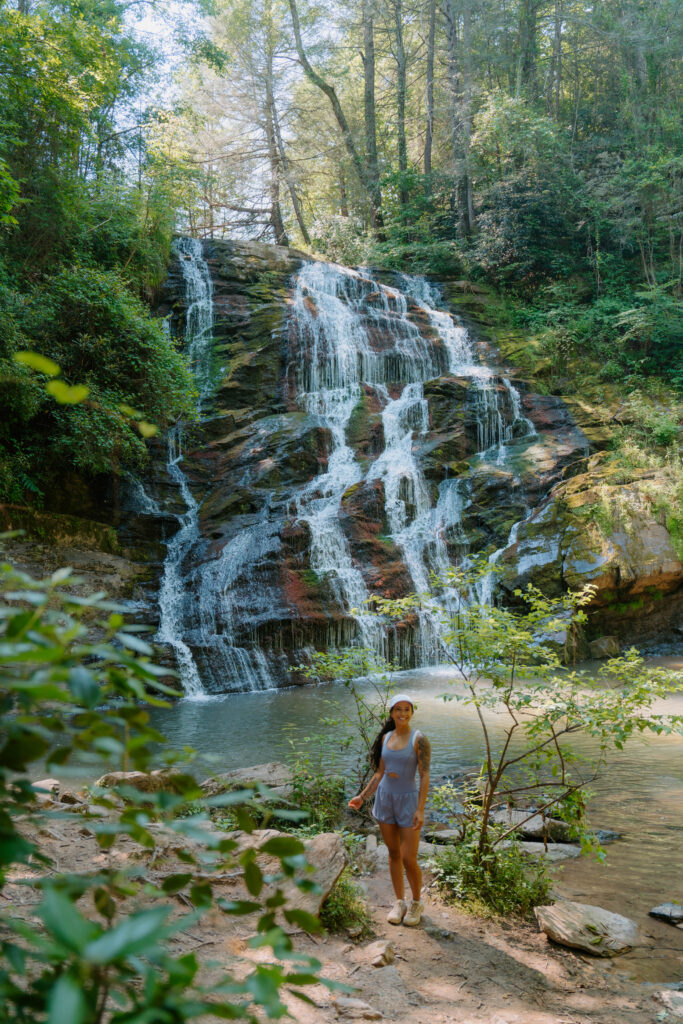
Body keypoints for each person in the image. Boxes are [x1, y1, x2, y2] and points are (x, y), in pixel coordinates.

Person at [348, 693, 430, 926]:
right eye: (398, 709)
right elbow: (379, 773)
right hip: (385, 799)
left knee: (409, 857)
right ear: (392, 712)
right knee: (393, 854)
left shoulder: (419, 739)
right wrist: (363, 797)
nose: (402, 714)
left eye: (407, 709)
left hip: (408, 801)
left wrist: (421, 809)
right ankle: (399, 901)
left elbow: (424, 776)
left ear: (412, 712)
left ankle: (416, 903)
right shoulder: (385, 739)